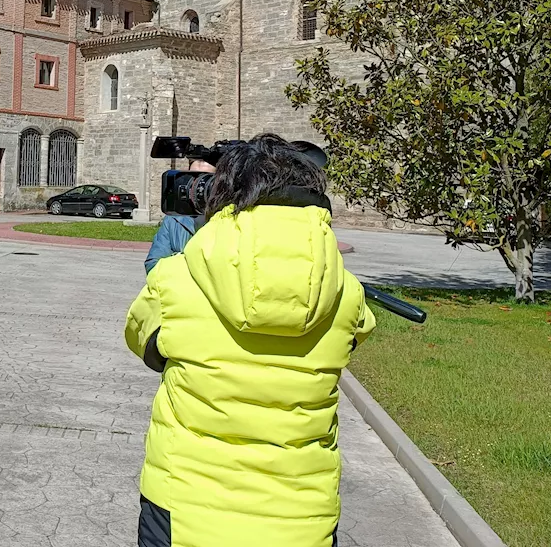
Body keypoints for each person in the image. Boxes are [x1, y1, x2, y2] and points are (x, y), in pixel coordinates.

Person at [124, 134, 375, 547]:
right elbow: (356, 335)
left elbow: (145, 344)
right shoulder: (344, 293)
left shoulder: (175, 279)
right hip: (302, 518)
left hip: (183, 508)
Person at [143, 159, 215, 273]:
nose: (198, 186)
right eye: (194, 177)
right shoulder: (174, 219)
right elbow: (153, 266)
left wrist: (175, 261)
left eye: (206, 178)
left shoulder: (228, 220)